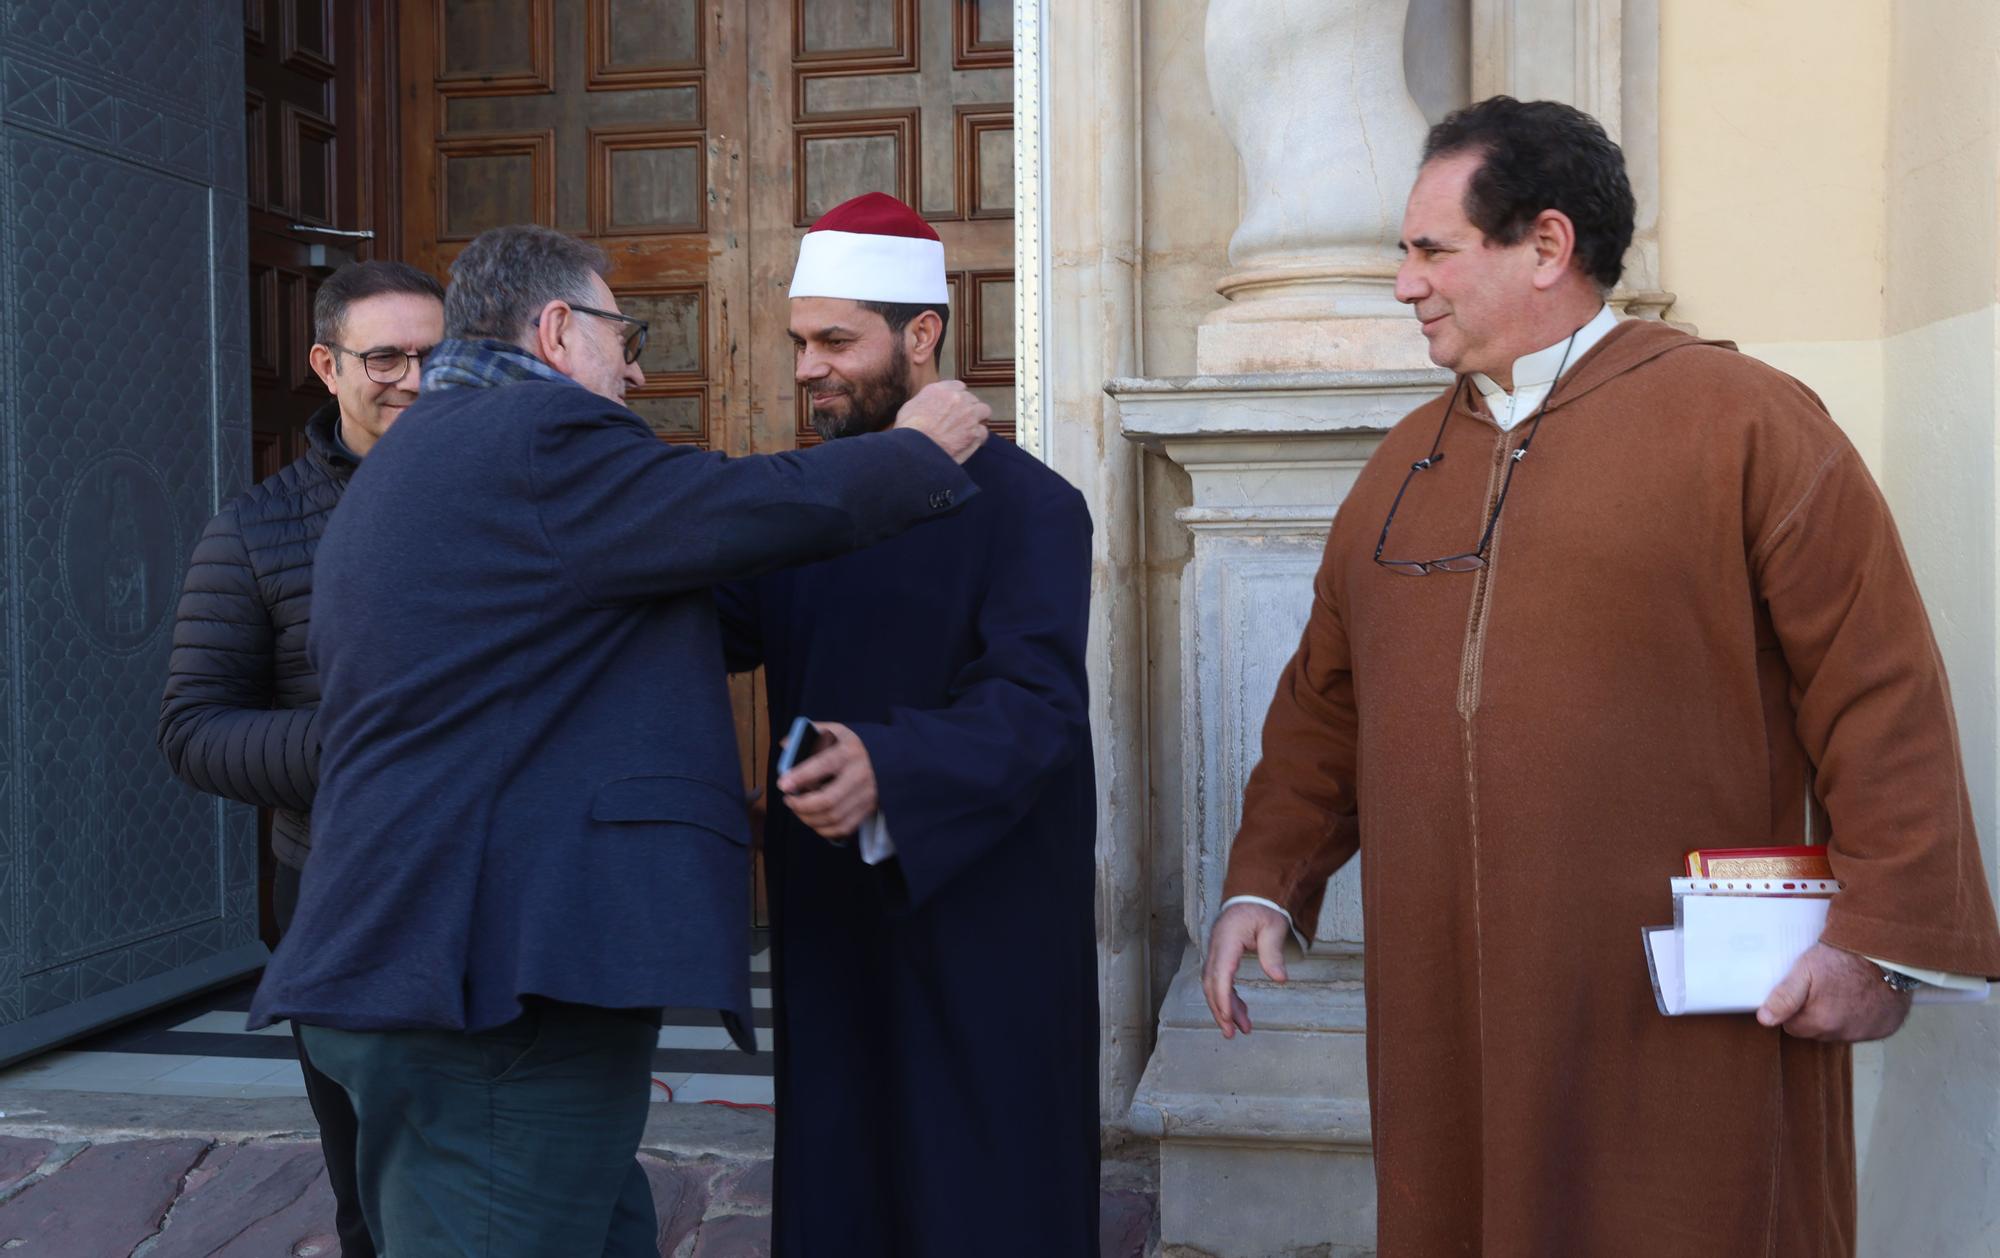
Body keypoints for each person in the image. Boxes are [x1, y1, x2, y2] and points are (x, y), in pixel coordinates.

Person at [1200, 96, 2000, 1257]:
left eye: (1431, 250)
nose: (1402, 284)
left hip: (1673, 1016)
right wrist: (1263, 881)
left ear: (1544, 246)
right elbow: (1324, 706)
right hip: (1448, 1017)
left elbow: (1878, 691)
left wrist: (1871, 943)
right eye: (1401, 253)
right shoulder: (1398, 469)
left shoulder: (1744, 423)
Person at [246, 223, 991, 1258]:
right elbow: (742, 504)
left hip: (435, 971)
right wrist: (915, 452)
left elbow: (608, 627)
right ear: (556, 329)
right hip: (490, 995)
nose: (637, 366)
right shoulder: (537, 436)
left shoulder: (431, 450)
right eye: (623, 333)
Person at [716, 192, 1099, 1257]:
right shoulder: (803, 504)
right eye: (799, 342)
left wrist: (886, 764)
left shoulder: (1031, 505)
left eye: (835, 341)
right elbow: (703, 621)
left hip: (983, 916)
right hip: (831, 916)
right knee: (844, 1179)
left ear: (920, 335)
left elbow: (1035, 706)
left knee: (981, 1191)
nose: (806, 368)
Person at [159, 258, 445, 1258]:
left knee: (518, 1161)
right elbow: (193, 728)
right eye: (386, 357)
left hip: (503, 889)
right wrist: (363, 745)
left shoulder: (510, 490)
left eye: (435, 356)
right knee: (373, 1185)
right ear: (327, 364)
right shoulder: (253, 530)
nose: (414, 378)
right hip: (339, 896)